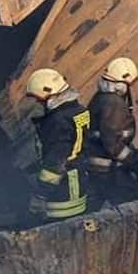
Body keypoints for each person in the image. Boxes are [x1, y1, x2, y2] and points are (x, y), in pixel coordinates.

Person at [25, 68, 90, 220]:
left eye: (39, 99)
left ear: (50, 94)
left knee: (59, 231)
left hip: (63, 193)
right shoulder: (79, 110)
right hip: (79, 179)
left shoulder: (58, 121)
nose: (38, 103)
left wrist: (40, 195)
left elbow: (55, 163)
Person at [86, 57, 138, 204]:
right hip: (110, 170)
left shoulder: (101, 98)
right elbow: (113, 144)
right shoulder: (113, 104)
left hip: (99, 168)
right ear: (122, 83)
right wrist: (135, 161)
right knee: (131, 204)